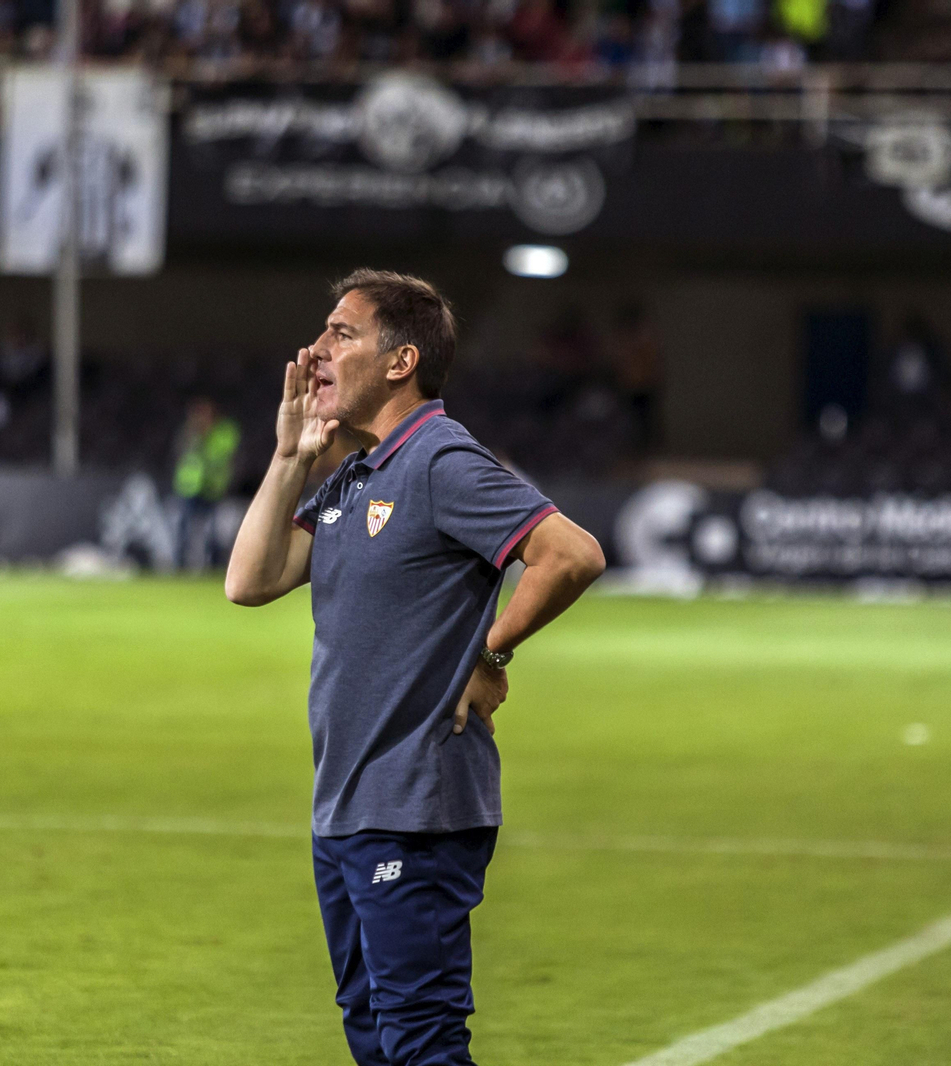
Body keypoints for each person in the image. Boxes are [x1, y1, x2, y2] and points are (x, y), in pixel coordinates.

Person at [225, 270, 605, 1065]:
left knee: (423, 1046)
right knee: (377, 1044)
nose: (317, 350)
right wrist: (290, 456)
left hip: (416, 808)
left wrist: (491, 651)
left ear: (400, 362)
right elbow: (249, 582)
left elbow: (570, 554)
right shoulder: (354, 475)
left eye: (342, 333)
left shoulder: (437, 461)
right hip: (347, 806)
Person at [173, 397, 241, 571]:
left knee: (214, 531)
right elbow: (181, 453)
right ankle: (178, 565)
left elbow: (224, 456)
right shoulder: (189, 431)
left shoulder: (224, 431)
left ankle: (214, 566)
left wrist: (205, 436)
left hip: (214, 489)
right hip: (189, 488)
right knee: (184, 529)